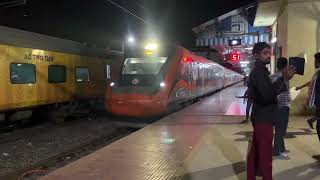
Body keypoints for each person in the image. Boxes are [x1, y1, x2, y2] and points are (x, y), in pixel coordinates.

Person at [246, 42, 295, 180]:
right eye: (265, 53)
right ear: (256, 55)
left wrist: (282, 79)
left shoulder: (260, 72)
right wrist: (283, 79)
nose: (268, 55)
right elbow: (266, 96)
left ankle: (251, 177)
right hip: (264, 117)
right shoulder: (259, 73)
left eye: (269, 52)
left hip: (261, 116)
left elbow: (266, 92)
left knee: (255, 152)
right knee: (266, 154)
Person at [270, 57, 291, 160]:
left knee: (280, 129)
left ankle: (281, 148)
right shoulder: (283, 77)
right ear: (286, 66)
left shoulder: (273, 76)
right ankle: (277, 152)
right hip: (282, 107)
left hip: (279, 106)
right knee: (280, 130)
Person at [296, 52, 320, 134]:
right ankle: (311, 120)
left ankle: (311, 120)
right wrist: (301, 87)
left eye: (316, 61)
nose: (314, 63)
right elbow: (311, 83)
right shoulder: (317, 74)